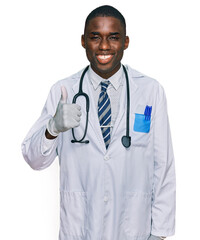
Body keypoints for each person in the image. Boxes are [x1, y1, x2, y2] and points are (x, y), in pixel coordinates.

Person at [21, 5, 176, 240]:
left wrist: (159, 234)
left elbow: (163, 167)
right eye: (95, 37)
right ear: (83, 41)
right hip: (80, 229)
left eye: (113, 38)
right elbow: (34, 160)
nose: (104, 46)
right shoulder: (63, 91)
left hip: (134, 230)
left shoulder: (150, 91)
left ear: (126, 42)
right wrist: (52, 129)